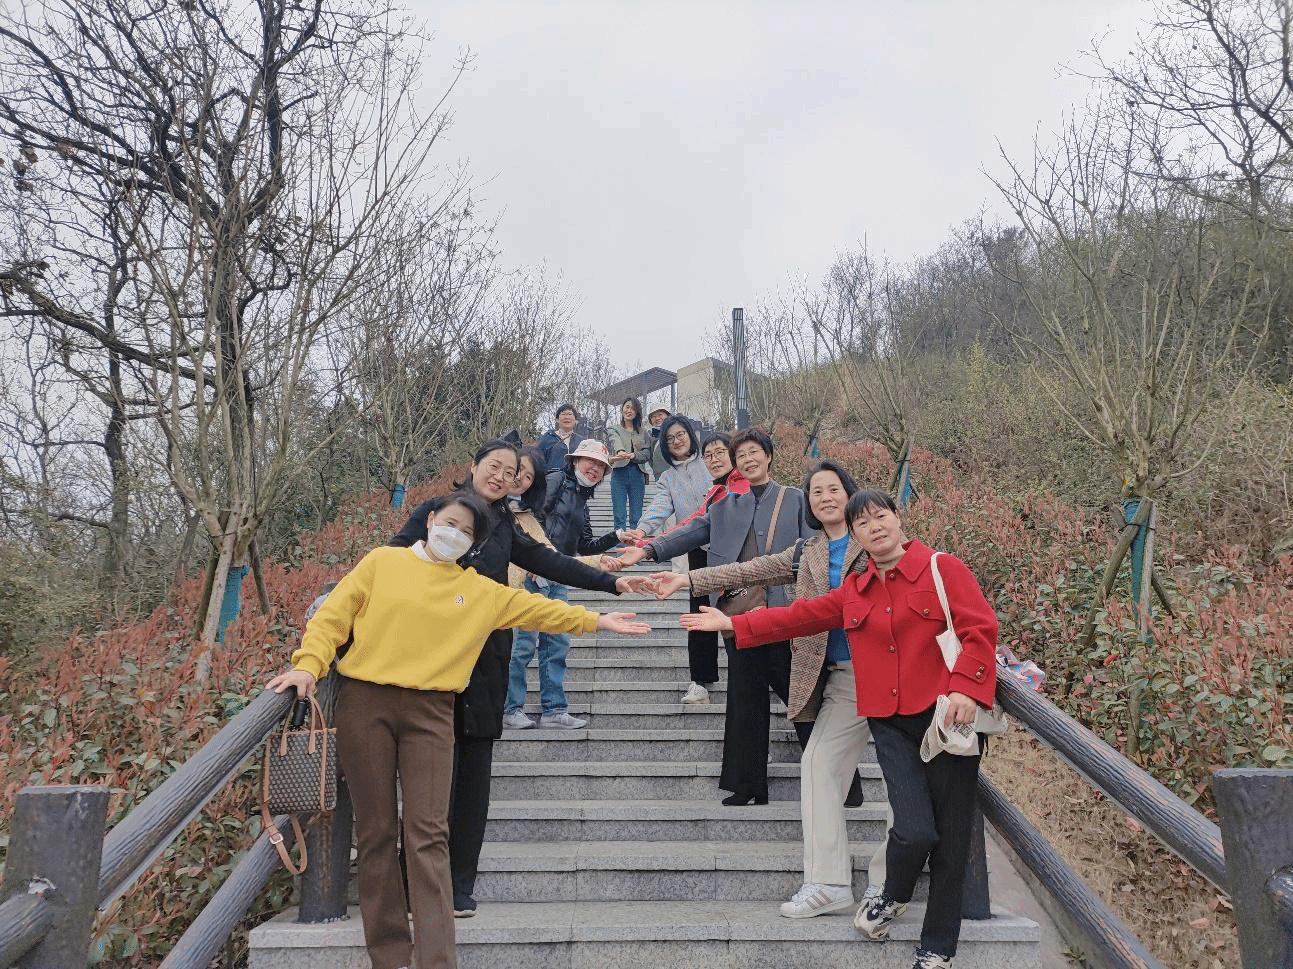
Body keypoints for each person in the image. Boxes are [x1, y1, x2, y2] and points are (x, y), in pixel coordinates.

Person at [267, 491, 651, 969]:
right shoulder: (382, 563)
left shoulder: (479, 591)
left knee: (428, 833)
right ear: (430, 520)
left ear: (473, 545)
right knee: (376, 831)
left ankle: (436, 959)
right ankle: (389, 954)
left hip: (432, 712)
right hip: (366, 703)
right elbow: (332, 617)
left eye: (467, 533)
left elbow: (539, 609)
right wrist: (308, 666)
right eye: (450, 523)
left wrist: (598, 620)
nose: (455, 534)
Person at [680, 489, 998, 969]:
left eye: (881, 516)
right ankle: (891, 894)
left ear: (898, 518)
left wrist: (966, 689)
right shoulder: (857, 588)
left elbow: (980, 629)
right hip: (890, 721)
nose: (874, 527)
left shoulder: (942, 568)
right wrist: (734, 624)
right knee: (914, 830)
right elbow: (801, 616)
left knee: (951, 841)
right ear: (854, 536)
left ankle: (937, 948)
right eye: (862, 523)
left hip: (945, 718)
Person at [389, 439, 650, 918]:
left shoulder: (506, 523)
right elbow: (389, 563)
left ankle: (459, 884)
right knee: (429, 777)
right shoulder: (435, 513)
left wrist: (612, 582)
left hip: (484, 660)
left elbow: (552, 562)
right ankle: (413, 883)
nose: (501, 477)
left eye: (511, 473)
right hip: (428, 661)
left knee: (474, 776)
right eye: (494, 466)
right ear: (473, 466)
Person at [650, 460, 876, 919]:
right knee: (817, 765)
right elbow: (749, 570)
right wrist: (687, 579)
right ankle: (830, 882)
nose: (825, 497)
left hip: (890, 672)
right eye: (816, 492)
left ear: (851, 494)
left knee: (911, 785)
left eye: (834, 489)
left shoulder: (874, 541)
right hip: (843, 677)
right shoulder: (807, 552)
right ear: (808, 503)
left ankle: (893, 878)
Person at [617, 427, 815, 806]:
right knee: (744, 699)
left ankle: (840, 780)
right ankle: (747, 784)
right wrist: (646, 549)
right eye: (742, 455)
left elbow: (813, 552)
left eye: (754, 452)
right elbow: (689, 531)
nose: (748, 459)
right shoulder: (723, 506)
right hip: (736, 617)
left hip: (785, 615)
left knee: (801, 695)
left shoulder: (796, 500)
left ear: (769, 455)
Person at [504, 438, 624, 729]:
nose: (595, 469)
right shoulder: (556, 479)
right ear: (575, 461)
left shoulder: (583, 501)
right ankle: (510, 708)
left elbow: (585, 545)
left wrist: (617, 537)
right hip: (533, 572)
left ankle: (554, 710)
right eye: (590, 461)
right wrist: (535, 557)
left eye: (601, 466)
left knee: (557, 643)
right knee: (523, 644)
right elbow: (530, 513)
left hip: (558, 575)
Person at [623, 419, 727, 703]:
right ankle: (700, 680)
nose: (677, 441)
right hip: (698, 548)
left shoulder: (710, 463)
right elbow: (660, 507)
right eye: (670, 439)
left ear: (691, 436)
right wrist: (641, 531)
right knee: (699, 613)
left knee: (738, 608)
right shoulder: (668, 478)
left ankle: (754, 671)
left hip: (732, 546)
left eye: (681, 434)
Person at [605, 397, 653, 532]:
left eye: (633, 408)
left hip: (637, 474)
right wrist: (620, 451)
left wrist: (634, 455)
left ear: (637, 412)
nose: (629, 410)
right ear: (622, 409)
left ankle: (634, 541)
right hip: (619, 474)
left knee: (636, 515)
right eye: (627, 407)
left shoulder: (643, 432)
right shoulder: (614, 429)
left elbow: (647, 453)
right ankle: (620, 542)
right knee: (619, 514)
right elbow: (615, 440)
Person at [537, 403, 583, 473]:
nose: (566, 417)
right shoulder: (546, 438)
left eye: (570, 414)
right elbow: (537, 462)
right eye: (563, 414)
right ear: (557, 419)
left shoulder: (581, 441)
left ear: (575, 420)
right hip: (551, 478)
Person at [646, 405, 672, 477]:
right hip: (660, 477)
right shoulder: (649, 437)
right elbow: (649, 459)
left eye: (660, 415)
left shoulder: (676, 431)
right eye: (653, 416)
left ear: (667, 415)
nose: (657, 418)